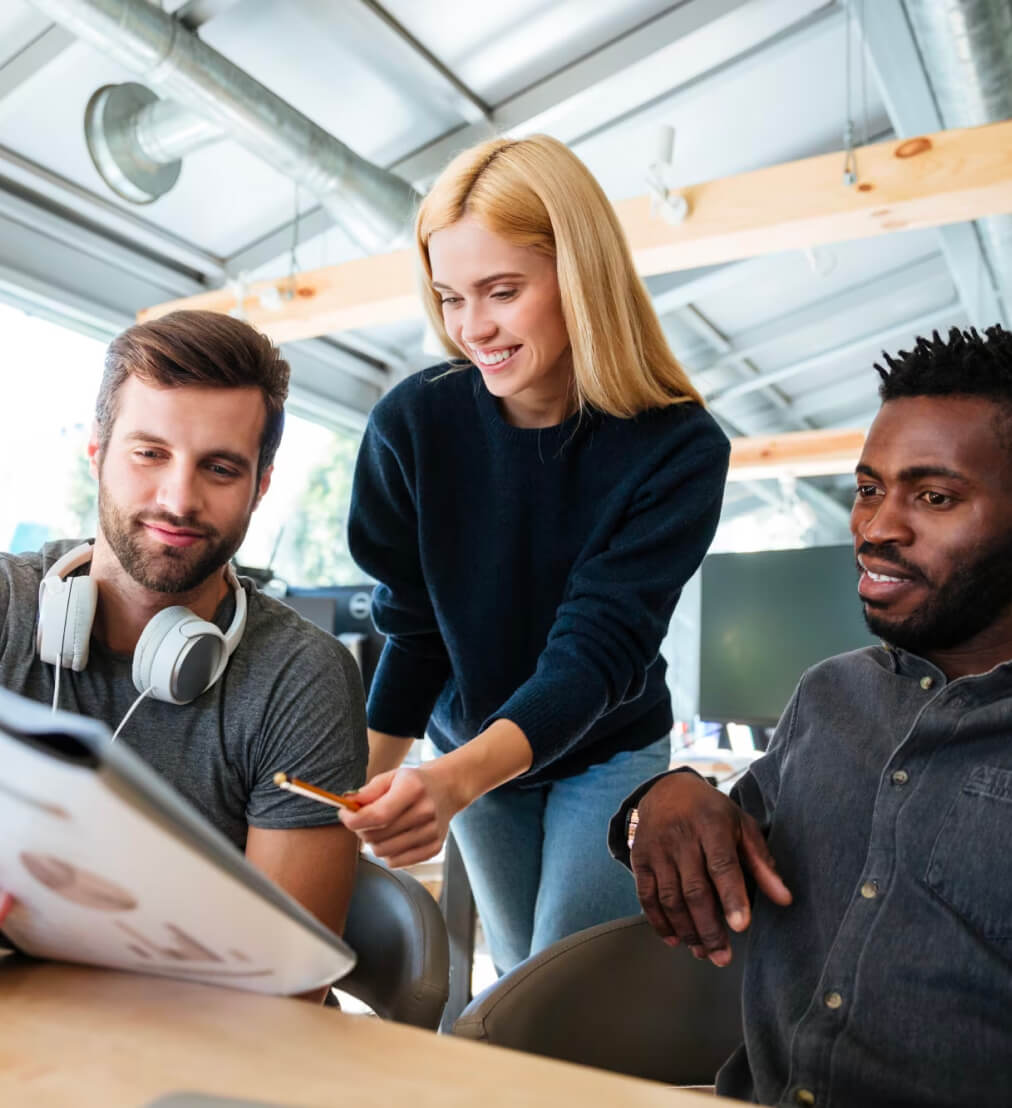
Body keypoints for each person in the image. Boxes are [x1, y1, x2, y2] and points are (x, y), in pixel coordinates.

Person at [342, 134, 730, 973]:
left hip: (607, 748)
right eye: (450, 297)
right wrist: (349, 802)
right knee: (517, 974)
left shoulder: (678, 448)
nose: (472, 328)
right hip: (470, 743)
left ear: (579, 277)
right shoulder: (414, 425)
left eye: (503, 291)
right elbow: (414, 630)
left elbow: (596, 651)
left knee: (563, 984)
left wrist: (451, 783)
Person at [612, 324, 1012, 1105]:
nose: (876, 528)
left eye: (933, 497)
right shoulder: (830, 696)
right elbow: (712, 835)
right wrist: (656, 802)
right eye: (869, 489)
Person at [0, 311, 368, 972]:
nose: (178, 498)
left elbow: (286, 987)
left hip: (192, 1036)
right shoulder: (7, 607)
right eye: (150, 453)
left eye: (220, 468)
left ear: (260, 487)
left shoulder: (303, 679)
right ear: (97, 454)